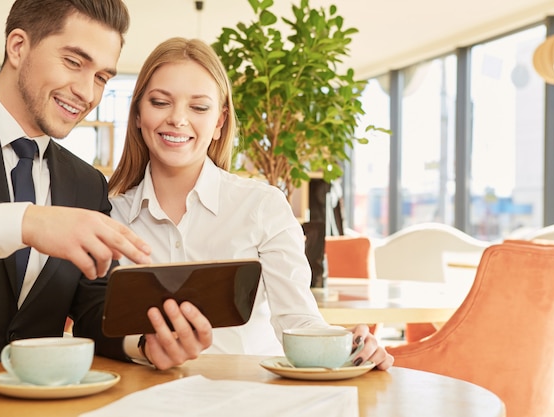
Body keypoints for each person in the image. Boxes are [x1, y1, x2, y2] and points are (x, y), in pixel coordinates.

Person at [108, 37, 394, 370]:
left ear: (219, 122)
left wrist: (349, 347)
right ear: (138, 113)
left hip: (246, 398)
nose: (178, 119)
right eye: (160, 102)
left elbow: (297, 320)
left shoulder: (262, 205)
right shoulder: (110, 215)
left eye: (199, 107)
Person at [0, 0, 212, 369]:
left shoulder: (85, 183)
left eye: (101, 77)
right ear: (18, 46)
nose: (87, 92)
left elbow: (92, 307)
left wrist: (142, 342)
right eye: (74, 62)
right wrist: (27, 223)